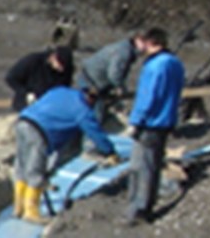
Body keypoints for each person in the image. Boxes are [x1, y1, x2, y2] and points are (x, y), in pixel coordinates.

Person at [14, 85, 119, 223]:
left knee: (22, 166)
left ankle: (18, 207)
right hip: (39, 132)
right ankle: (31, 212)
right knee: (35, 170)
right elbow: (95, 133)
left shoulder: (61, 91)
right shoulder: (82, 110)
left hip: (23, 121)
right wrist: (110, 151)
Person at [124, 27, 183, 225]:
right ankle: (145, 206)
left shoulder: (154, 66)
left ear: (151, 42)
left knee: (141, 168)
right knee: (153, 166)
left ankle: (138, 209)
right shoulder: (175, 63)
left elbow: (148, 97)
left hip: (150, 124)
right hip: (165, 122)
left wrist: (135, 121)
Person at [76, 33, 140, 130]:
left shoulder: (125, 48)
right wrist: (121, 88)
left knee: (90, 113)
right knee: (95, 117)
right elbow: (114, 75)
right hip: (91, 83)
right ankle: (91, 141)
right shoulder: (123, 52)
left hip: (94, 80)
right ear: (137, 40)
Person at [5, 47, 75, 112]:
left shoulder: (66, 70)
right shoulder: (33, 61)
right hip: (28, 104)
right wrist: (26, 93)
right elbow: (11, 78)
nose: (61, 69)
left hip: (51, 106)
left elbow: (65, 87)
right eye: (59, 65)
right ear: (53, 58)